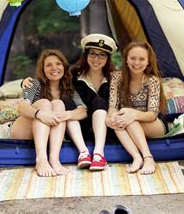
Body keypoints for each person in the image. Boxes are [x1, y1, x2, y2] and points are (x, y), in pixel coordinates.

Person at [22, 34, 117, 171]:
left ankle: (97, 154)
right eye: (92, 54)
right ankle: (80, 153)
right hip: (76, 128)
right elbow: (24, 102)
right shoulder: (74, 76)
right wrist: (25, 83)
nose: (96, 59)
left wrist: (65, 115)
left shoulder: (115, 78)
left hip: (106, 126)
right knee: (56, 103)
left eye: (102, 55)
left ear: (108, 58)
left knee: (71, 103)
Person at [10, 49, 88, 177]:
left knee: (59, 104)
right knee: (45, 103)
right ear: (43, 69)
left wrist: (67, 115)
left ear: (64, 66)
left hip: (47, 128)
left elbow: (83, 111)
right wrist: (41, 114)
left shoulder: (68, 89)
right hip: (23, 130)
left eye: (58, 64)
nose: (54, 68)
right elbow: (22, 107)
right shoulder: (35, 84)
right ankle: (41, 159)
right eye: (48, 65)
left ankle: (54, 158)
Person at [106, 41, 168, 175]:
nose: (137, 62)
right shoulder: (117, 78)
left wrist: (132, 114)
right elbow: (113, 105)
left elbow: (152, 114)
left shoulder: (152, 81)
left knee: (128, 119)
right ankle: (137, 157)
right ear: (126, 60)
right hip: (127, 121)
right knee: (118, 120)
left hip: (153, 123)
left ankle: (148, 158)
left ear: (148, 62)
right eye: (133, 58)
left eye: (141, 59)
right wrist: (111, 117)